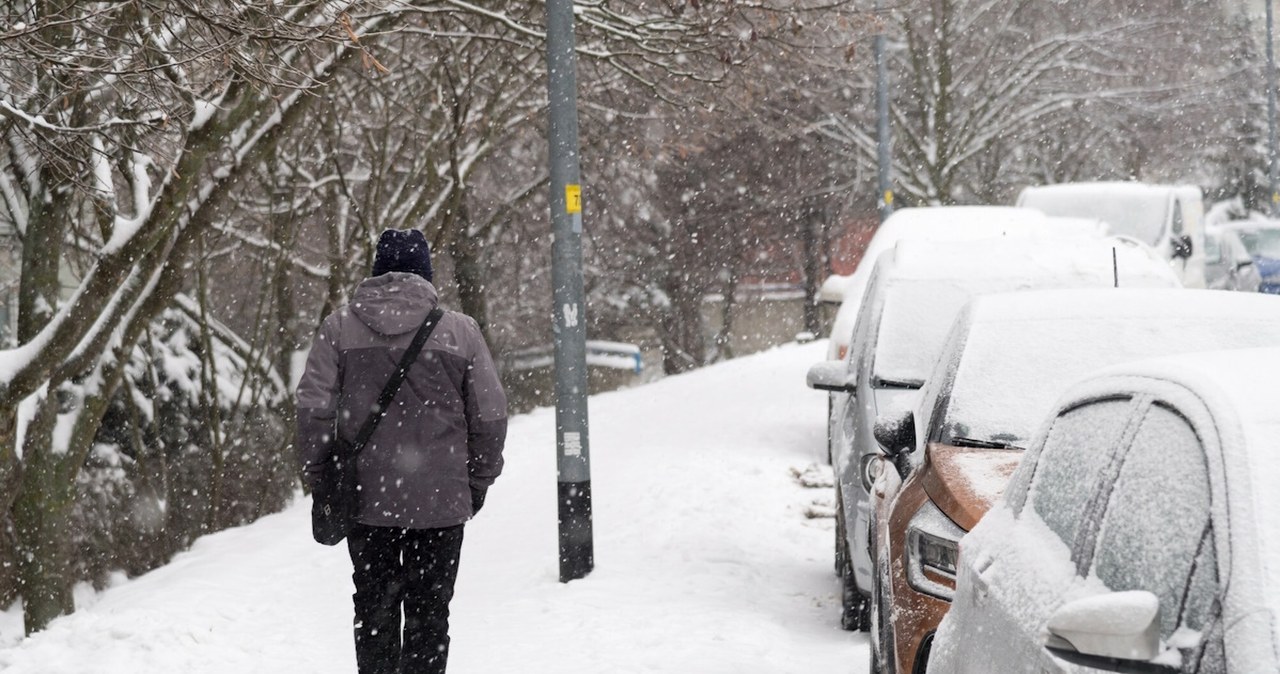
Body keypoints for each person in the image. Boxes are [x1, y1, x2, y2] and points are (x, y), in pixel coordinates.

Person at [296, 228, 508, 674]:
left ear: (377, 273)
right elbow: (489, 414)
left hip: (366, 497)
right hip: (441, 501)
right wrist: (479, 478)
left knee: (374, 609)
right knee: (431, 614)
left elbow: (313, 406)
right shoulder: (460, 331)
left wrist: (319, 475)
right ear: (426, 275)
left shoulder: (339, 328)